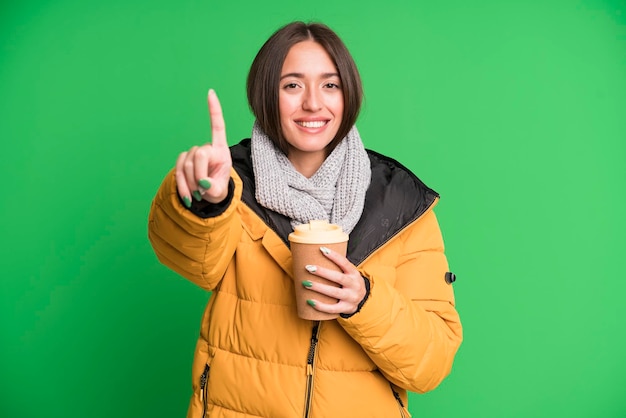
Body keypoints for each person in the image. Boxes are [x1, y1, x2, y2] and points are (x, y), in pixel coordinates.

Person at [148, 21, 462, 418]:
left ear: (348, 95)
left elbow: (430, 365)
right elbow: (192, 261)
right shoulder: (231, 182)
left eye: (330, 85)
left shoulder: (401, 205)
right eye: (292, 85)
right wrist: (207, 203)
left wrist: (364, 300)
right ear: (266, 95)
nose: (313, 103)